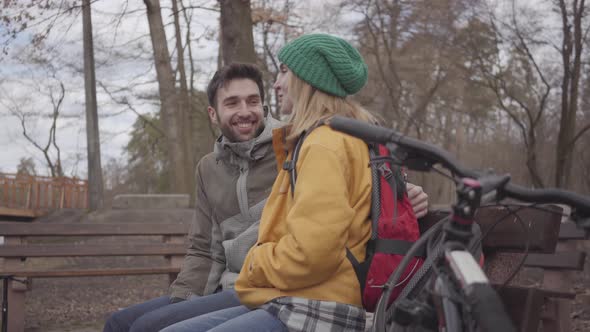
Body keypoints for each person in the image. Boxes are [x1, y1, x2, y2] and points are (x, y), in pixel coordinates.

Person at [105, 50, 428, 332]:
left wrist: (401, 194)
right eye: (232, 102)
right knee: (124, 323)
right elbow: (204, 247)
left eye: (254, 100)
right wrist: (180, 300)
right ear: (213, 114)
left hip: (293, 291)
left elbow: (348, 197)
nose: (246, 110)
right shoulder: (212, 166)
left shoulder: (297, 144)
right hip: (264, 287)